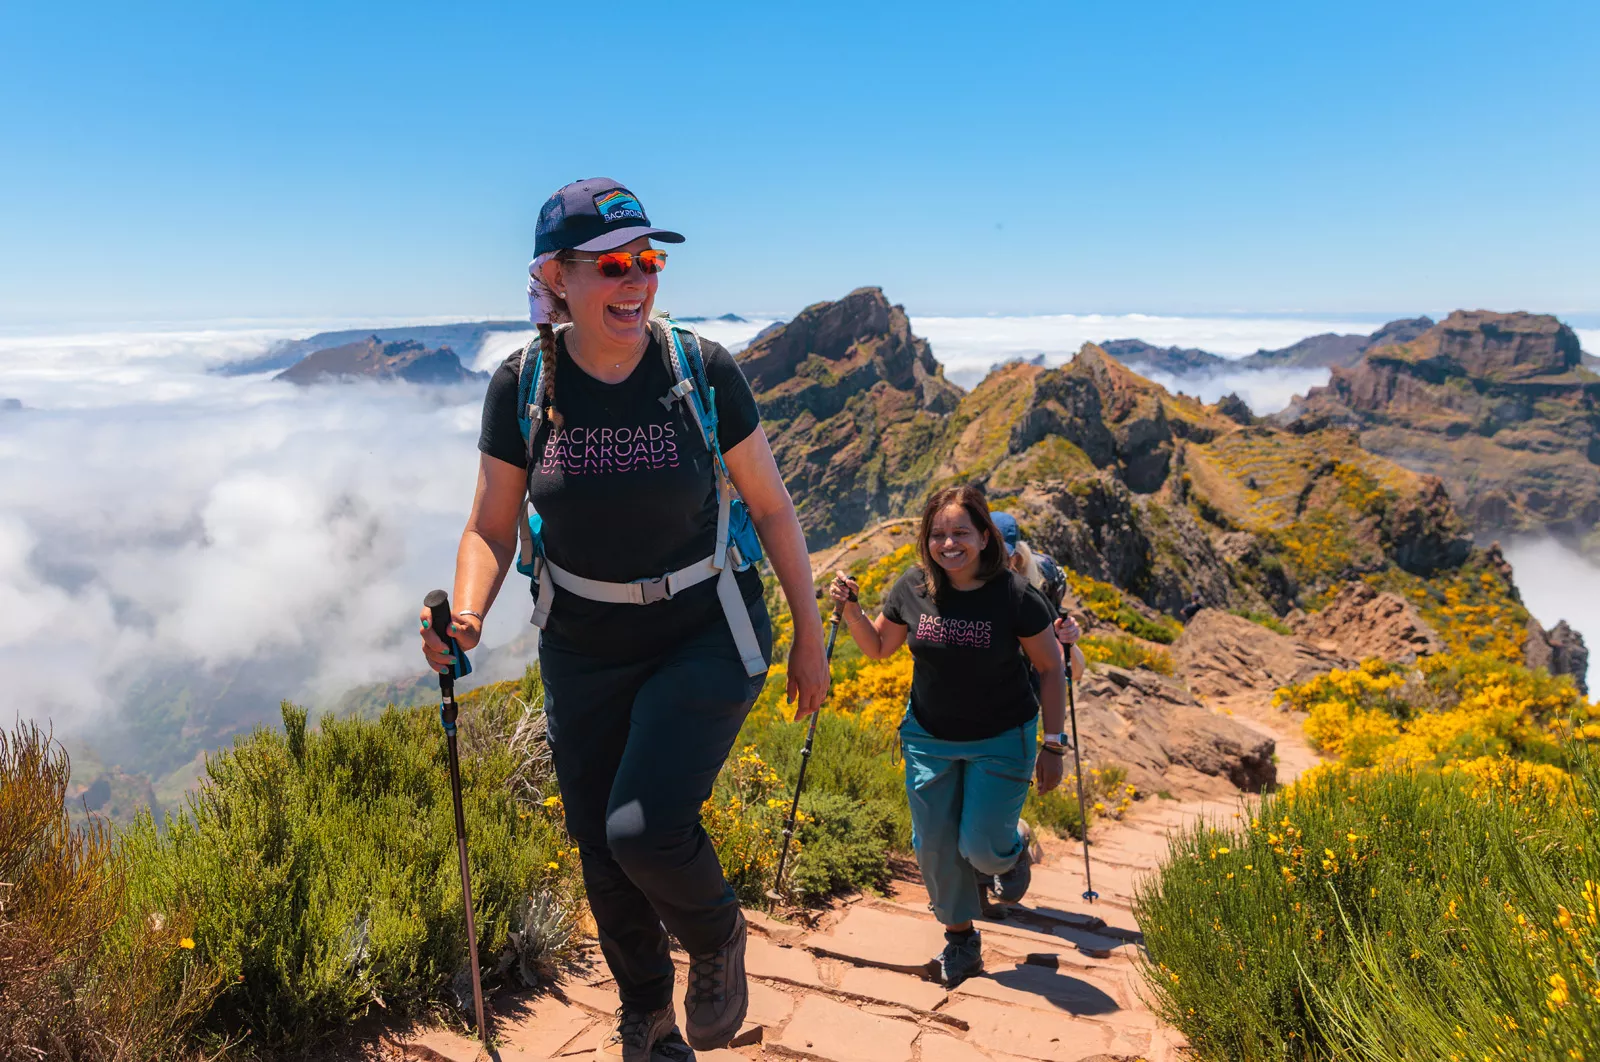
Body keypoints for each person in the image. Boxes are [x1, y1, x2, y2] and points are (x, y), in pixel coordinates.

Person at [420, 178, 829, 1061]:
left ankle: (717, 936)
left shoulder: (700, 369)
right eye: (613, 264)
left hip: (706, 629)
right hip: (584, 643)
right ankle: (646, 1015)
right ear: (556, 278)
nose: (638, 279)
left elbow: (773, 508)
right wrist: (464, 616)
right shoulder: (523, 385)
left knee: (643, 829)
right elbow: (490, 526)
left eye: (649, 259)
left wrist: (811, 633)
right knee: (600, 848)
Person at [828, 485, 1068, 987]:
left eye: (960, 532)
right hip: (929, 736)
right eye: (938, 534)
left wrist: (1053, 744)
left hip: (1004, 736)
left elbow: (1050, 668)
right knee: (934, 846)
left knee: (979, 847)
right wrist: (851, 608)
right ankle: (961, 941)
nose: (948, 543)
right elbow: (876, 649)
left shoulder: (1015, 596)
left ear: (984, 537)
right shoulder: (912, 588)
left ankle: (1012, 847)